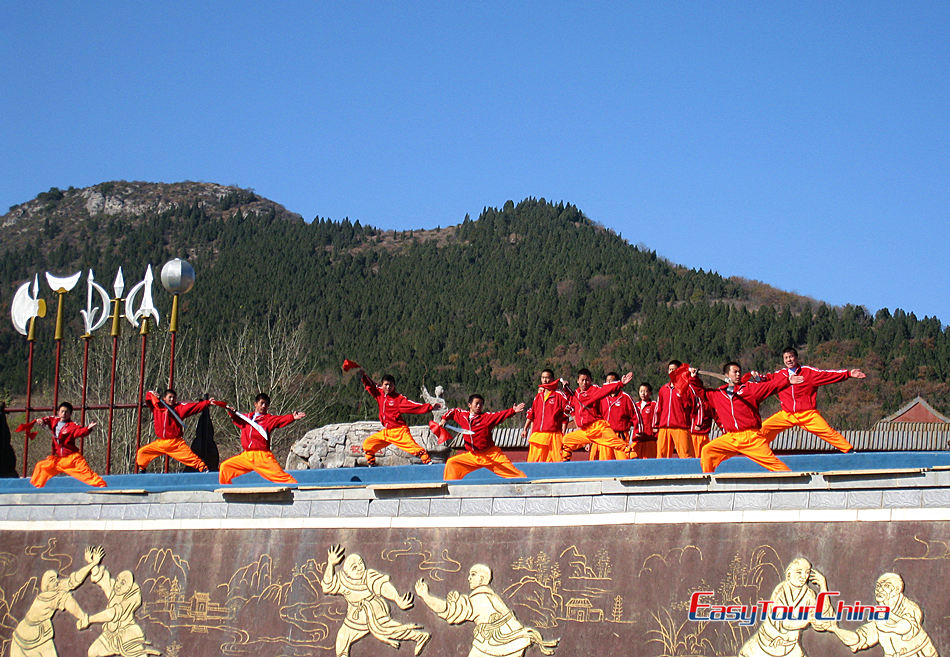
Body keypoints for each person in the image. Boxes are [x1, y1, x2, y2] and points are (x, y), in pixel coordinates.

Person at [414, 563, 558, 657]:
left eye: (473, 574)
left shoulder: (480, 599)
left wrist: (425, 596)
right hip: (511, 641)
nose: (469, 578)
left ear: (482, 579)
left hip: (496, 645)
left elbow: (449, 610)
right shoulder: (491, 597)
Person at [321, 545, 430, 657]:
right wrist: (331, 564)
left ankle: (419, 636)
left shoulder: (368, 576)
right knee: (342, 638)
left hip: (375, 611)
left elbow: (382, 586)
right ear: (347, 573)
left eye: (360, 563)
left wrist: (397, 598)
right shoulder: (342, 580)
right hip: (355, 617)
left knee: (390, 630)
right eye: (354, 567)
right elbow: (327, 586)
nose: (359, 568)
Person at [698, 362, 802, 473]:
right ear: (726, 375)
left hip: (751, 437)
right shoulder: (718, 394)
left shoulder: (749, 389)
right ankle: (708, 482)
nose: (738, 374)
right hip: (731, 437)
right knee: (707, 451)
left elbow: (769, 386)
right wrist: (694, 378)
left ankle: (795, 483)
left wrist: (787, 381)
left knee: (777, 467)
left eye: (739, 372)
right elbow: (700, 392)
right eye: (735, 372)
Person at [759, 347, 865, 453]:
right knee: (763, 429)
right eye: (786, 358)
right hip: (787, 414)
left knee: (828, 432)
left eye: (791, 357)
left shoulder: (808, 373)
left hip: (807, 414)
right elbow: (766, 379)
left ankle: (850, 451)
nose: (789, 360)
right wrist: (755, 377)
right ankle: (756, 450)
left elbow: (827, 375)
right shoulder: (779, 375)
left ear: (796, 357)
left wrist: (849, 374)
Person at [10, 545, 103, 657]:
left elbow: (74, 580)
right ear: (47, 585)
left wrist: (92, 564)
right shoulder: (47, 597)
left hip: (40, 635)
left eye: (56, 579)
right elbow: (68, 601)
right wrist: (83, 617)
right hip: (26, 638)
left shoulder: (55, 588)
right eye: (53, 580)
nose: (57, 582)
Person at [738, 558, 833, 657]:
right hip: (766, 645)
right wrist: (808, 620)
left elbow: (823, 617)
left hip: (790, 647)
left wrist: (823, 586)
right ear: (788, 575)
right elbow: (784, 622)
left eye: (807, 573)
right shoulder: (780, 591)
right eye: (799, 572)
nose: (804, 577)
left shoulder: (809, 594)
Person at [829, 572, 937, 657]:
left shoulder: (910, 607)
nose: (880, 589)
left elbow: (907, 626)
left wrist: (885, 620)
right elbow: (860, 639)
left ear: (897, 590)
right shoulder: (879, 615)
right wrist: (835, 629)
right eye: (878, 586)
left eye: (886, 586)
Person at [219, 394, 304, 484]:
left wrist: (292, 417)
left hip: (262, 456)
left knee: (282, 478)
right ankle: (226, 492)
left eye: (266, 404)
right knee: (225, 467)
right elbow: (236, 418)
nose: (264, 406)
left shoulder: (269, 419)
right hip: (246, 455)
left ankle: (298, 491)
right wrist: (231, 413)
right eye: (262, 403)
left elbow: (280, 420)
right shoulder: (246, 418)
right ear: (255, 404)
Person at [359, 370, 439, 466]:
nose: (388, 387)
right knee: (368, 444)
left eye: (391, 385)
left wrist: (430, 407)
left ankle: (428, 462)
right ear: (382, 385)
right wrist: (362, 375)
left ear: (394, 386)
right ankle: (371, 464)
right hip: (387, 432)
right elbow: (370, 385)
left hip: (399, 431)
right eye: (386, 385)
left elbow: (413, 406)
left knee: (414, 448)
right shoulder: (379, 394)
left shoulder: (398, 399)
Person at [20, 402, 106, 488]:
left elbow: (80, 431)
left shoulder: (72, 426)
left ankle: (101, 485)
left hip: (73, 459)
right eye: (62, 411)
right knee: (41, 466)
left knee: (87, 474)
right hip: (59, 460)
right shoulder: (54, 420)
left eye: (66, 412)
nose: (64, 414)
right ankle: (35, 488)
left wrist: (88, 429)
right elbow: (46, 419)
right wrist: (41, 421)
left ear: (70, 414)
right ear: (58, 412)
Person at [440, 395, 527, 480]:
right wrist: (444, 419)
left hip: (491, 454)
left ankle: (528, 483)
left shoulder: (486, 418)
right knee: (452, 463)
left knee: (514, 473)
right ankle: (451, 488)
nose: (479, 406)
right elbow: (453, 411)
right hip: (472, 456)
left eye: (481, 404)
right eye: (477, 403)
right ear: (469, 405)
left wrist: (513, 411)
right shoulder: (462, 416)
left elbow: (500, 415)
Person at [83, 563, 158, 657]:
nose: (117, 585)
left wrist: (89, 619)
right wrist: (93, 563)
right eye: (117, 580)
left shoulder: (132, 598)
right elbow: (104, 581)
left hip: (127, 635)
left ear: (129, 587)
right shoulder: (115, 590)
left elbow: (113, 613)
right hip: (111, 635)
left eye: (122, 583)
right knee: (93, 652)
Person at [560, 369, 634, 462]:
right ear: (577, 381)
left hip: (597, 427)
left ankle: (634, 458)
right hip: (585, 430)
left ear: (590, 380)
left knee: (618, 444)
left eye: (587, 380)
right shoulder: (576, 394)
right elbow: (571, 401)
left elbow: (606, 390)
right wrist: (566, 389)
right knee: (567, 440)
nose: (584, 382)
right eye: (582, 380)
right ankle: (565, 464)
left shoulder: (594, 390)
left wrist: (620, 383)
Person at [136, 389, 214, 473]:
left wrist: (207, 403)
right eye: (170, 397)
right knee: (142, 452)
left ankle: (204, 469)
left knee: (190, 457)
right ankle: (142, 468)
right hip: (161, 442)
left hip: (175, 443)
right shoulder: (157, 407)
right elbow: (148, 398)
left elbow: (193, 407)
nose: (172, 399)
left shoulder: (178, 409)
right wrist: (152, 393)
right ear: (164, 398)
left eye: (174, 398)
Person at [521, 369, 569, 462]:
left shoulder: (559, 395)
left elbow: (567, 412)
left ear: (552, 379)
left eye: (547, 378)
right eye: (543, 378)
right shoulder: (538, 396)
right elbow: (532, 414)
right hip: (538, 434)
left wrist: (564, 430)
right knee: (534, 462)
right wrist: (525, 429)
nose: (545, 380)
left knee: (557, 462)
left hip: (554, 435)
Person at [593, 372, 641, 460]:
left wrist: (637, 433)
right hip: (606, 436)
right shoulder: (602, 398)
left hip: (620, 436)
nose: (609, 384)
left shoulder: (625, 397)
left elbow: (636, 416)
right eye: (607, 382)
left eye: (611, 381)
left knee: (623, 462)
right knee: (605, 464)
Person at [655, 360, 694, 458]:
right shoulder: (663, 389)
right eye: (670, 370)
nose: (671, 372)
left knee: (685, 454)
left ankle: (688, 473)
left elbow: (693, 406)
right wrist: (655, 424)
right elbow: (658, 408)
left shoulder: (687, 388)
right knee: (661, 455)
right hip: (664, 427)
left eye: (674, 370)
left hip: (680, 427)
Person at [632, 383, 658, 459]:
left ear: (650, 393)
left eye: (646, 391)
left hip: (649, 439)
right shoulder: (636, 405)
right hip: (637, 440)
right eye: (641, 391)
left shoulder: (653, 405)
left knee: (649, 462)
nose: (643, 394)